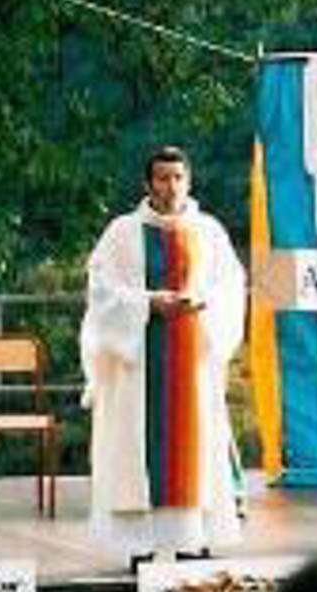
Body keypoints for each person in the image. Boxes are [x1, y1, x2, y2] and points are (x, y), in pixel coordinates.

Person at [80, 146, 246, 563]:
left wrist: (202, 301)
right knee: (139, 451)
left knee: (194, 449)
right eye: (162, 178)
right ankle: (140, 546)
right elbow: (100, 290)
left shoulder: (208, 231)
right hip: (139, 363)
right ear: (147, 183)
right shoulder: (122, 232)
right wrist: (148, 304)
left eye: (177, 178)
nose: (170, 187)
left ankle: (192, 540)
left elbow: (230, 285)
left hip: (192, 357)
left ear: (188, 181)